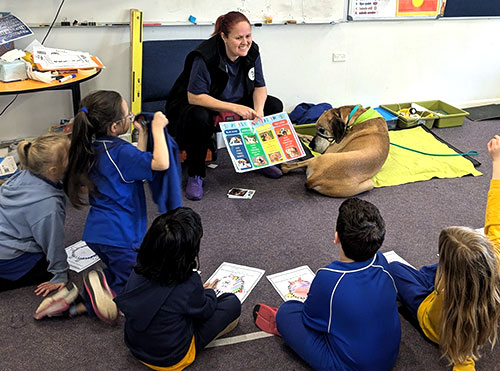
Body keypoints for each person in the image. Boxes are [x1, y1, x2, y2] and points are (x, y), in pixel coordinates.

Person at [388, 136, 500, 371]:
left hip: (428, 313)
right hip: (460, 280)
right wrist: (497, 162)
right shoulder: (495, 258)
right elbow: (495, 215)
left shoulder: (456, 316)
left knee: (395, 269)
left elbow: (463, 360)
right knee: (435, 271)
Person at [253, 198, 401, 370]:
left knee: (287, 313)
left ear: (336, 237)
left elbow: (309, 319)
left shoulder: (329, 277)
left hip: (350, 366)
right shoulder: (382, 261)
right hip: (389, 356)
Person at [63, 90, 170, 323]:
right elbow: (160, 163)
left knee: (117, 268)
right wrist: (157, 129)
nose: (131, 116)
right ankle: (93, 304)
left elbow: (134, 166)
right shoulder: (120, 152)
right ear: (114, 127)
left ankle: (84, 296)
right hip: (122, 235)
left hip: (99, 232)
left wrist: (140, 137)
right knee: (134, 285)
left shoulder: (94, 147)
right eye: (127, 114)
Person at [165, 11, 284, 201]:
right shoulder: (204, 56)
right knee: (199, 116)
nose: (245, 42)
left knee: (273, 105)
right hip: (197, 104)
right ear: (224, 37)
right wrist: (234, 108)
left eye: (248, 36)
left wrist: (259, 112)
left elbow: (260, 87)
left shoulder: (252, 51)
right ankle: (196, 174)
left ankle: (261, 159)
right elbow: (195, 97)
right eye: (238, 38)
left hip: (235, 101)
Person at [114, 207, 241, 370]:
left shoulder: (139, 268)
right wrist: (208, 293)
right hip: (172, 359)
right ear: (187, 253)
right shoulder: (189, 283)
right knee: (231, 303)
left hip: (135, 347)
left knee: (177, 310)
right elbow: (205, 311)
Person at [0, 134, 75, 299]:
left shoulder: (24, 174)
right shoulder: (49, 206)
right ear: (53, 170)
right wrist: (60, 275)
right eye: (70, 154)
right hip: (7, 258)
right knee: (47, 268)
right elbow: (53, 242)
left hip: (4, 242)